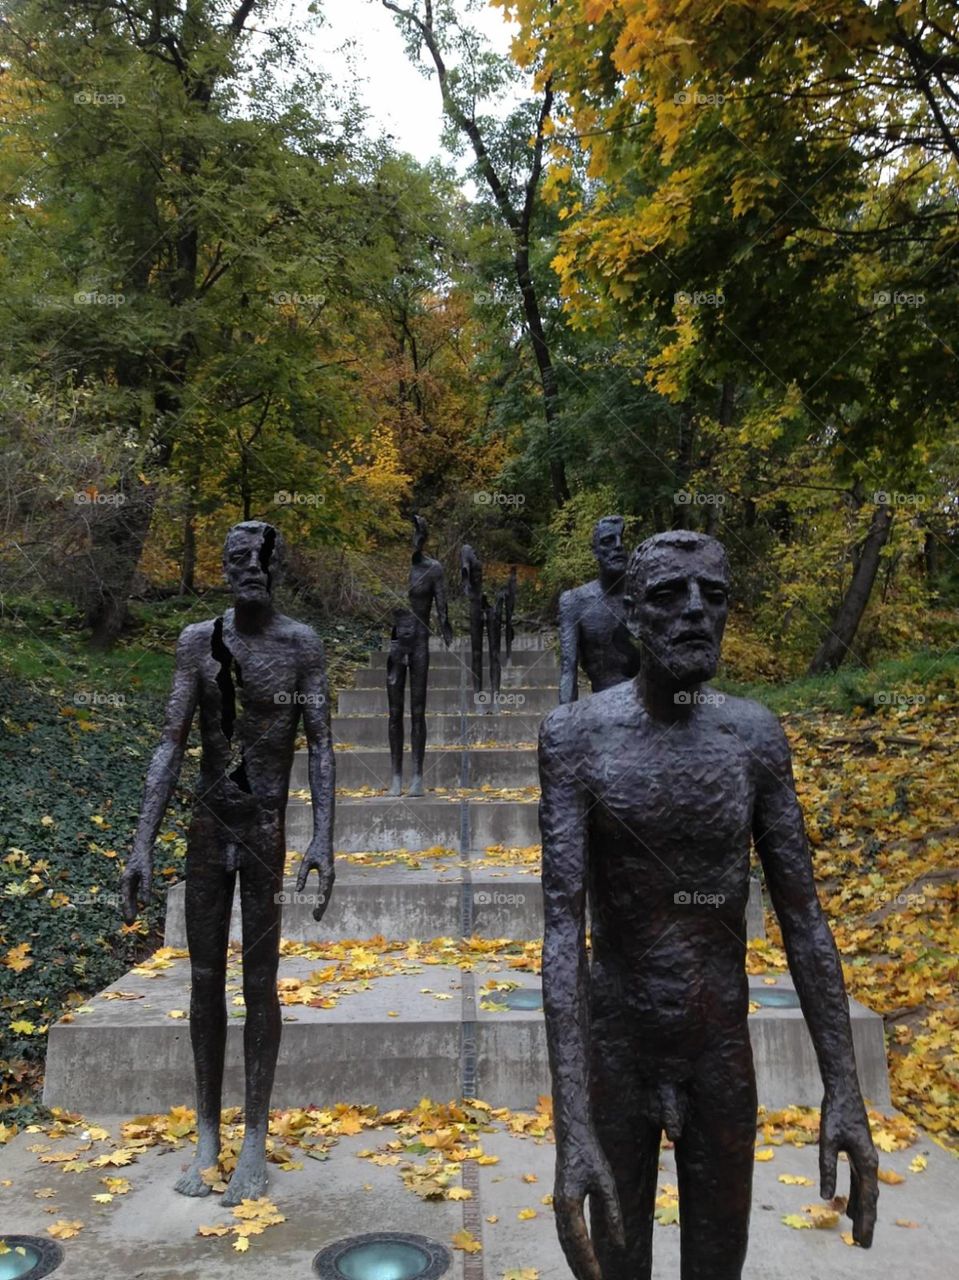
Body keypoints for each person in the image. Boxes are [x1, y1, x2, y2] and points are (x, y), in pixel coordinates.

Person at [539, 530, 878, 1279]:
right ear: (631, 615)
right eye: (668, 595)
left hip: (718, 1049)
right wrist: (571, 1129)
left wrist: (844, 1090)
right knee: (616, 1267)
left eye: (712, 596)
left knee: (717, 1267)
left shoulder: (752, 736)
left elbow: (804, 917)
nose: (694, 612)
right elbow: (561, 933)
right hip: (617, 1048)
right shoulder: (575, 738)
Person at [120, 520, 335, 1204]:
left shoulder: (300, 645)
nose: (251, 567)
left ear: (278, 566)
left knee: (260, 980)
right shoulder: (196, 643)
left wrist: (323, 838)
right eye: (238, 558)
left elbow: (323, 745)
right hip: (209, 826)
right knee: (205, 978)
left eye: (262, 557)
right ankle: (208, 1132)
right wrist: (142, 841)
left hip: (266, 825)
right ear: (223, 568)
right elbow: (169, 740)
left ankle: (253, 1137)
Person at [558, 515, 640, 703]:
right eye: (608, 541)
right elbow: (568, 669)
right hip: (603, 708)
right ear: (595, 552)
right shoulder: (574, 602)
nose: (618, 546)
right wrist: (564, 720)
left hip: (647, 709)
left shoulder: (646, 597)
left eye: (622, 540)